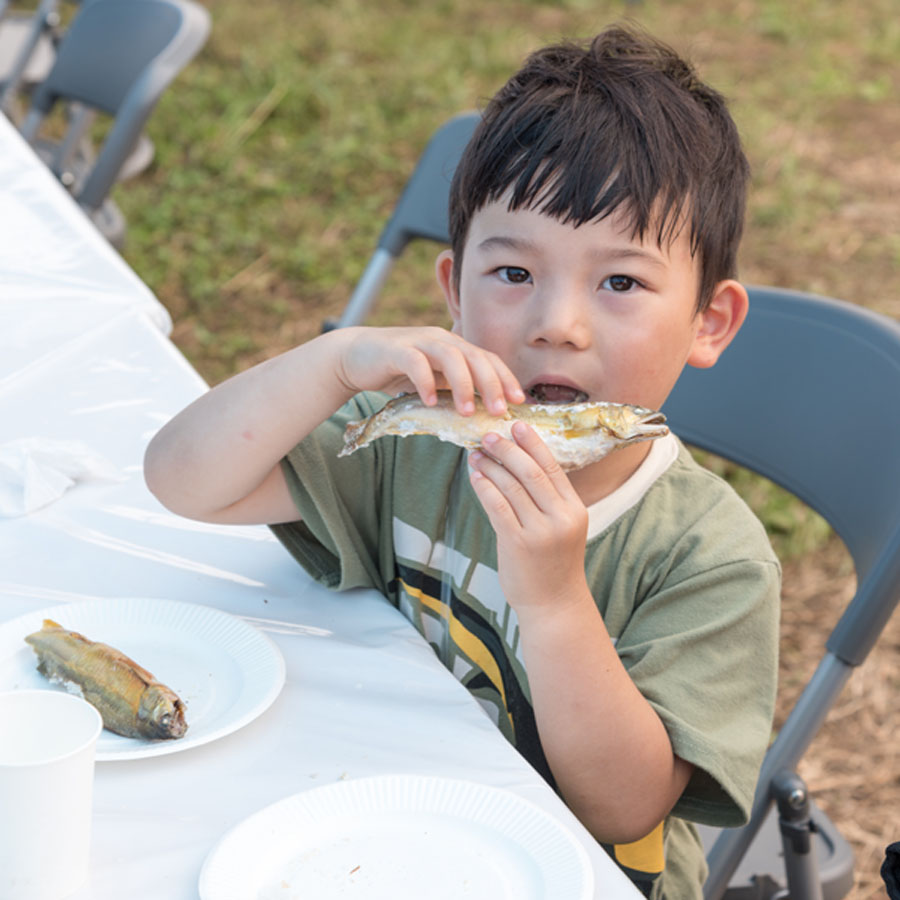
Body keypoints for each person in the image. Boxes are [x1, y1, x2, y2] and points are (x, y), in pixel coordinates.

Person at [144, 24, 780, 899]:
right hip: (380, 828)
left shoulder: (707, 555)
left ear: (709, 322)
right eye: (513, 273)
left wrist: (555, 602)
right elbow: (183, 480)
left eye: (621, 283)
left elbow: (625, 812)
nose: (558, 322)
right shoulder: (415, 442)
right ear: (451, 290)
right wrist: (335, 361)